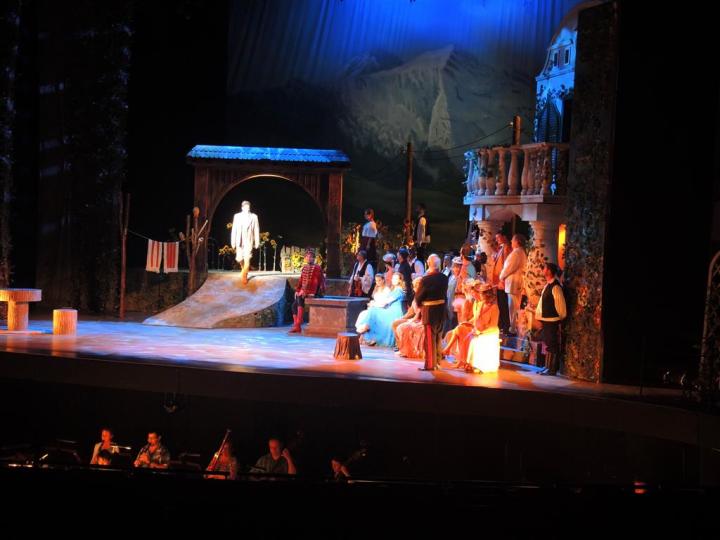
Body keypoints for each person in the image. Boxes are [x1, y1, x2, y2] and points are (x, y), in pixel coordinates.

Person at [414, 254, 448, 371]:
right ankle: (437, 362)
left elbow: (419, 296)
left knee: (429, 339)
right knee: (438, 337)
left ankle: (430, 365)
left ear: (428, 264)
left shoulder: (426, 279)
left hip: (430, 312)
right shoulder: (444, 278)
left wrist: (419, 304)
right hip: (441, 310)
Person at [356, 273, 406, 347]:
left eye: (396, 279)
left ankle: (367, 329)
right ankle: (368, 333)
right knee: (371, 311)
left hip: (394, 312)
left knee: (373, 311)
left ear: (399, 280)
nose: (393, 280)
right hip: (389, 309)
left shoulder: (399, 290)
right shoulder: (394, 289)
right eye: (393, 278)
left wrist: (374, 304)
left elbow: (386, 301)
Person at [535, 263, 567, 376]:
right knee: (548, 343)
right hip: (547, 319)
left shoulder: (555, 287)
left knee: (552, 343)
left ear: (549, 271)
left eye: (544, 268)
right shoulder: (548, 286)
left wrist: (560, 317)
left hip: (552, 320)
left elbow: (560, 305)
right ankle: (548, 366)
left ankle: (552, 368)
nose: (542, 270)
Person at [465, 283, 501, 373]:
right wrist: (473, 327)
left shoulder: (494, 308)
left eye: (481, 293)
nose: (480, 295)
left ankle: (480, 366)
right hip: (479, 331)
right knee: (472, 338)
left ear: (487, 294)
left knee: (480, 340)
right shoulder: (480, 305)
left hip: (490, 333)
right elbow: (476, 319)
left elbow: (493, 326)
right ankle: (471, 363)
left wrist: (480, 332)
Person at [289, 248, 325, 334]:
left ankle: (298, 325)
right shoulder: (304, 267)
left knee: (299, 298)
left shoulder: (317, 268)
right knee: (293, 306)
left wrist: (307, 292)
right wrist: (298, 290)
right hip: (304, 291)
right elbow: (301, 281)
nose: (309, 258)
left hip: (314, 292)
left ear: (314, 258)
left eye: (311, 257)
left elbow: (317, 282)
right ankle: (296, 325)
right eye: (307, 257)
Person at [499, 234, 527, 335]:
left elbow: (509, 268)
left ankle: (513, 329)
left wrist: (501, 276)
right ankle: (514, 327)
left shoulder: (516, 253)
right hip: (516, 283)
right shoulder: (521, 252)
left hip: (513, 284)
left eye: (513, 240)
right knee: (515, 306)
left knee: (513, 307)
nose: (511, 242)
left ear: (517, 242)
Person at [231, 200, 260, 285]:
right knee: (239, 258)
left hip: (248, 241)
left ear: (249, 208)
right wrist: (233, 241)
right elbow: (234, 229)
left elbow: (256, 229)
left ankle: (244, 275)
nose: (247, 208)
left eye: (248, 207)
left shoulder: (254, 217)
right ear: (242, 208)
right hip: (239, 240)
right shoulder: (237, 216)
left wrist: (257, 242)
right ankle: (243, 269)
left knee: (247, 258)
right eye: (245, 207)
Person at [395, 278, 426, 359]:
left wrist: (411, 321)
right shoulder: (416, 297)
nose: (416, 287)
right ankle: (400, 347)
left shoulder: (424, 297)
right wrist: (401, 318)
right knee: (395, 323)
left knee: (403, 327)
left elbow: (419, 313)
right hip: (415, 318)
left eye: (418, 285)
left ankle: (407, 350)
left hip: (421, 320)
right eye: (415, 285)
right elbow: (410, 312)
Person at [492, 233, 512, 332]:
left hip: (502, 281)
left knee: (503, 304)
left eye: (498, 237)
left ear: (504, 237)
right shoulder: (501, 248)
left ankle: (505, 326)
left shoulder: (507, 248)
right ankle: (502, 324)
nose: (497, 240)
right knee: (501, 303)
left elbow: (506, 265)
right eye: (496, 238)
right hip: (498, 281)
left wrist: (502, 280)